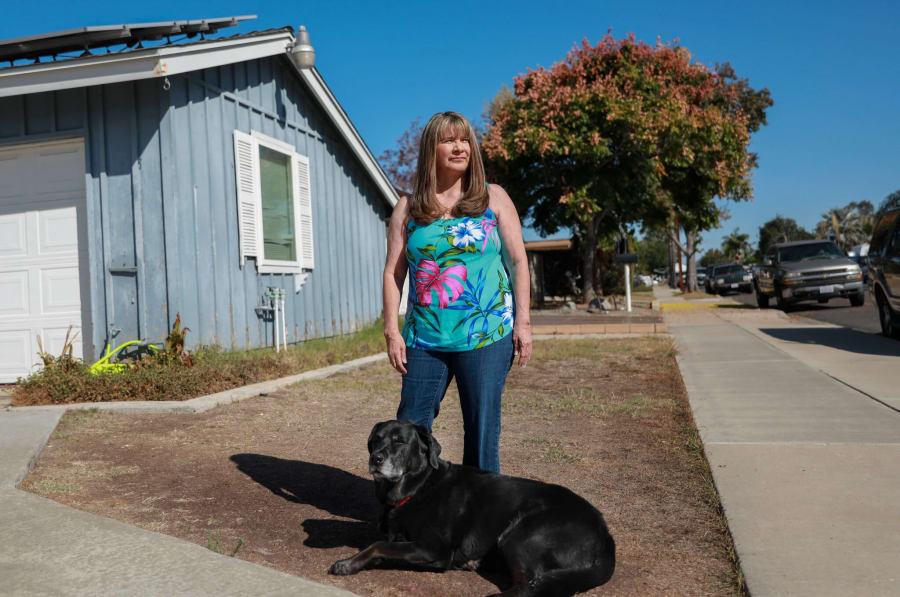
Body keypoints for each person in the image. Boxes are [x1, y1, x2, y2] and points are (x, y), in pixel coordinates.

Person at [382, 111, 532, 473]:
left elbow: (517, 261)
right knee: (409, 427)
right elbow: (393, 272)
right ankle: (405, 512)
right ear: (432, 148)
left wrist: (523, 323)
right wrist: (391, 330)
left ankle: (480, 517)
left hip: (486, 336)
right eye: (450, 140)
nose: (460, 147)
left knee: (481, 430)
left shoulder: (492, 198)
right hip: (424, 339)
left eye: (465, 140)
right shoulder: (408, 208)